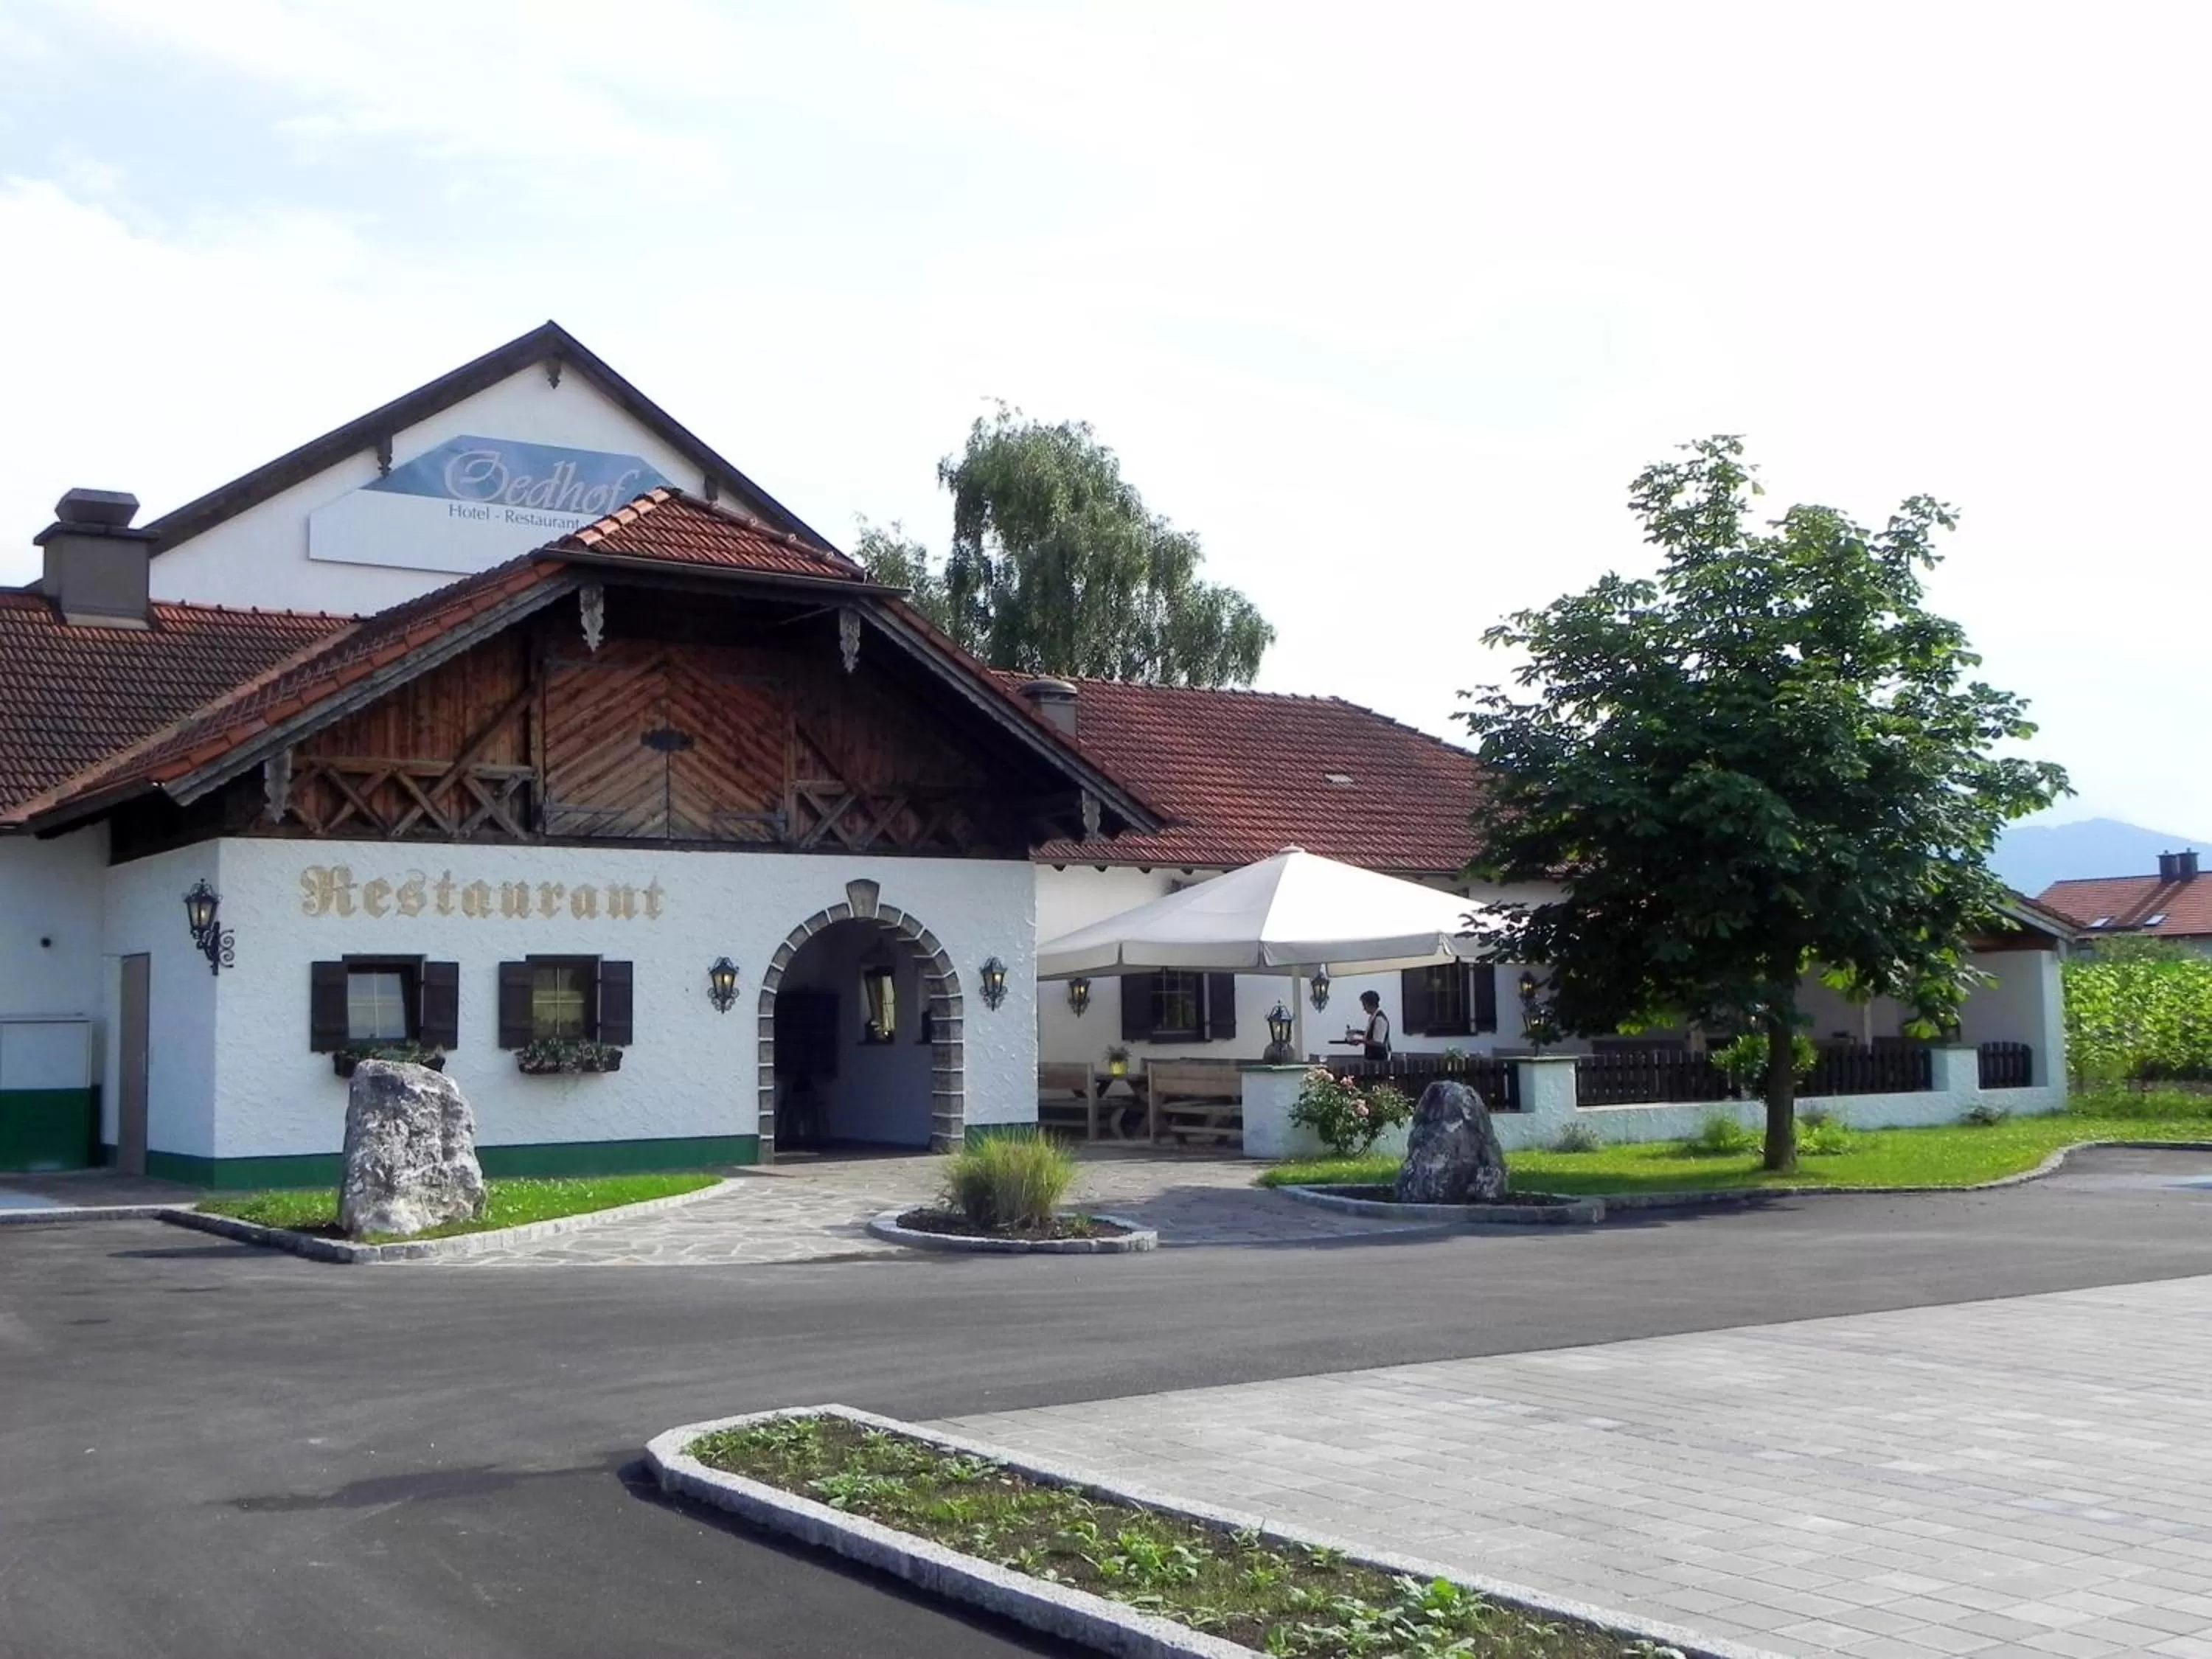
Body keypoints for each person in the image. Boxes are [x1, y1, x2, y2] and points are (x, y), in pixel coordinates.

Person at [1354, 990, 1391, 1062]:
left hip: (1379, 1059)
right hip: (1373, 1057)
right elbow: (1372, 1034)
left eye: (1364, 1005)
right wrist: (1357, 1032)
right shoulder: (1373, 1017)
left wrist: (1360, 1041)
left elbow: (1378, 1042)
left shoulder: (1379, 1019)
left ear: (1370, 1004)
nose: (1364, 1009)